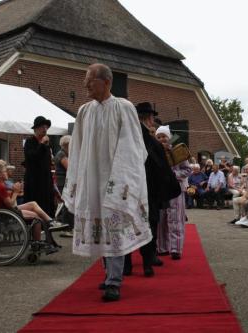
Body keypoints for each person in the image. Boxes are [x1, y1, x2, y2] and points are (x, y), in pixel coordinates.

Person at [62, 63, 153, 302]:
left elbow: (132, 146)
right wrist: (79, 178)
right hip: (92, 178)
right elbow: (78, 148)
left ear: (106, 82)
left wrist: (121, 179)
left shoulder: (124, 108)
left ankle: (114, 281)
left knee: (114, 229)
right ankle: (107, 274)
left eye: (90, 80)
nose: (85, 85)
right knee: (100, 229)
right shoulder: (84, 111)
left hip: (114, 180)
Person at [126, 102, 181, 277]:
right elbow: (157, 165)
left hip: (130, 187)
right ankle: (147, 263)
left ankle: (127, 265)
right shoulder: (147, 138)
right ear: (149, 118)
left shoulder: (128, 134)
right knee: (149, 223)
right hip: (147, 188)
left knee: (130, 223)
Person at [0, 160, 59, 253]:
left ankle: (50, 222)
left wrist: (13, 191)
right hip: (7, 214)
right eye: (5, 171)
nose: (7, 173)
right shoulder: (0, 187)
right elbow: (10, 204)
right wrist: (16, 192)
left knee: (33, 204)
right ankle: (36, 243)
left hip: (7, 211)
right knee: (36, 218)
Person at [155, 125, 191, 260]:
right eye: (159, 137)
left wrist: (172, 174)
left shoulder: (178, 152)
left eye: (164, 136)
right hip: (161, 191)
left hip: (176, 190)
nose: (162, 139)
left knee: (175, 219)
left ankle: (176, 248)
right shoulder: (155, 153)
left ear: (169, 137)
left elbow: (187, 170)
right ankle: (162, 247)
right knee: (161, 220)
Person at [24, 116, 55, 217]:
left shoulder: (47, 145)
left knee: (48, 204)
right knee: (36, 204)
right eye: (42, 127)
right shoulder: (30, 142)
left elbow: (47, 162)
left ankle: (47, 226)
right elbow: (33, 157)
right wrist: (41, 144)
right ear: (36, 129)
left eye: (46, 127)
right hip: (34, 181)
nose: (45, 130)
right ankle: (36, 227)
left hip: (46, 180)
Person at [54, 135, 73, 238]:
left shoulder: (64, 154)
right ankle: (66, 229)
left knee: (67, 203)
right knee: (67, 203)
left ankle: (68, 227)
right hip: (63, 182)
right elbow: (70, 167)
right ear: (66, 145)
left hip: (64, 182)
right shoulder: (61, 155)